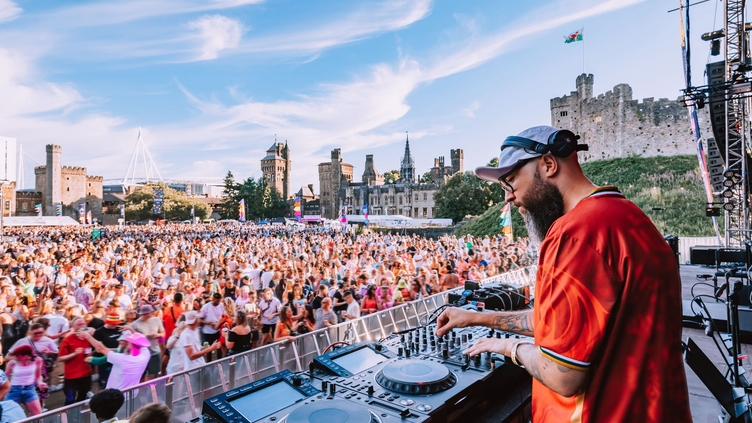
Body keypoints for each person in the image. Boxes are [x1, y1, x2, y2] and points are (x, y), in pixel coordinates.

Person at [438, 125, 691, 422]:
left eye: (510, 182)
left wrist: (508, 347)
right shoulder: (627, 216)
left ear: (548, 164)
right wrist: (475, 317)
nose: (509, 197)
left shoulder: (575, 233)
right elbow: (560, 324)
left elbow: (562, 377)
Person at [79, 330, 150, 391]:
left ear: (131, 344)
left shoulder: (121, 359)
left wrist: (87, 336)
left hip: (116, 395)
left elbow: (100, 348)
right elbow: (142, 342)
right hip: (132, 393)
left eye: (128, 342)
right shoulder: (146, 355)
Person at [57, 317, 92, 405]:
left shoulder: (88, 338)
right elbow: (60, 358)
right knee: (70, 400)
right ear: (73, 326)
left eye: (83, 324)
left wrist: (91, 355)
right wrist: (74, 354)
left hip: (86, 374)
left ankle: (78, 417)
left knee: (82, 397)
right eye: (78, 324)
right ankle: (68, 417)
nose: (81, 326)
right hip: (72, 376)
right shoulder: (67, 340)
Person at [5, 345, 46, 416]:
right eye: (17, 356)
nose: (18, 358)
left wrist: (40, 383)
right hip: (13, 390)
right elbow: (4, 377)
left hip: (29, 389)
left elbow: (38, 376)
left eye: (20, 356)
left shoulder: (37, 360)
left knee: (38, 416)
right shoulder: (12, 363)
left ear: (27, 355)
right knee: (7, 413)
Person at [128, 305, 164, 380]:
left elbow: (163, 333)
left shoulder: (156, 320)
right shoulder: (135, 324)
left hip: (155, 352)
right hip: (141, 354)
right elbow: (130, 341)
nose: (152, 313)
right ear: (145, 313)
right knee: (141, 376)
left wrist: (158, 335)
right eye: (150, 312)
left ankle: (153, 391)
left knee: (154, 376)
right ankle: (141, 391)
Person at [93, 313, 124, 388]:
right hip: (105, 361)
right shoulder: (99, 332)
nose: (115, 325)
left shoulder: (120, 329)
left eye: (116, 323)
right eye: (112, 323)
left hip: (118, 360)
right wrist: (117, 350)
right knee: (105, 384)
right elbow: (98, 349)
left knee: (118, 382)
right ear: (107, 322)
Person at [199, 293, 224, 361]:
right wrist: (208, 323)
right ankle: (209, 363)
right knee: (208, 349)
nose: (218, 302)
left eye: (219, 301)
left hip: (217, 330)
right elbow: (200, 319)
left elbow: (223, 316)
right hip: (207, 331)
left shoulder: (221, 305)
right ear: (213, 299)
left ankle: (219, 362)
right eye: (216, 301)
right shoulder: (206, 307)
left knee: (219, 347)